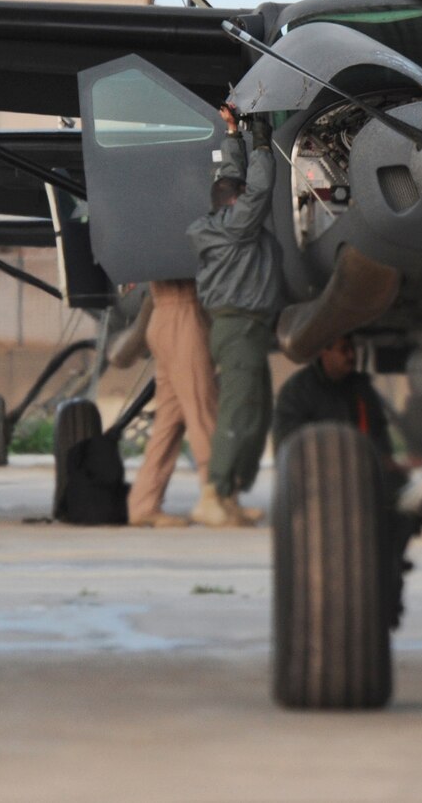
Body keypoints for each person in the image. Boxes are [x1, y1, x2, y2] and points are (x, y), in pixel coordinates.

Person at [188, 104, 286, 527]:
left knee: (257, 412)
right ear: (233, 204)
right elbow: (258, 190)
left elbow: (231, 179)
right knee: (239, 411)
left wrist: (233, 134)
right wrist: (262, 142)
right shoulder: (234, 226)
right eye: (241, 197)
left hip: (249, 328)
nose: (249, 202)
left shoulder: (226, 220)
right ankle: (213, 493)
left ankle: (229, 494)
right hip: (239, 326)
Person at [125, 279, 221, 528]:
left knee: (169, 420)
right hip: (184, 314)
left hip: (161, 315)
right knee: (202, 410)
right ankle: (217, 496)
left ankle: (144, 502)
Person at [272, 335, 394, 458]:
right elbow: (288, 444)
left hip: (360, 464)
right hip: (315, 466)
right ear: (324, 352)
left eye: (352, 349)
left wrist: (385, 459)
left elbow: (379, 432)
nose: (351, 355)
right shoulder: (298, 391)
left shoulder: (362, 387)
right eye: (344, 350)